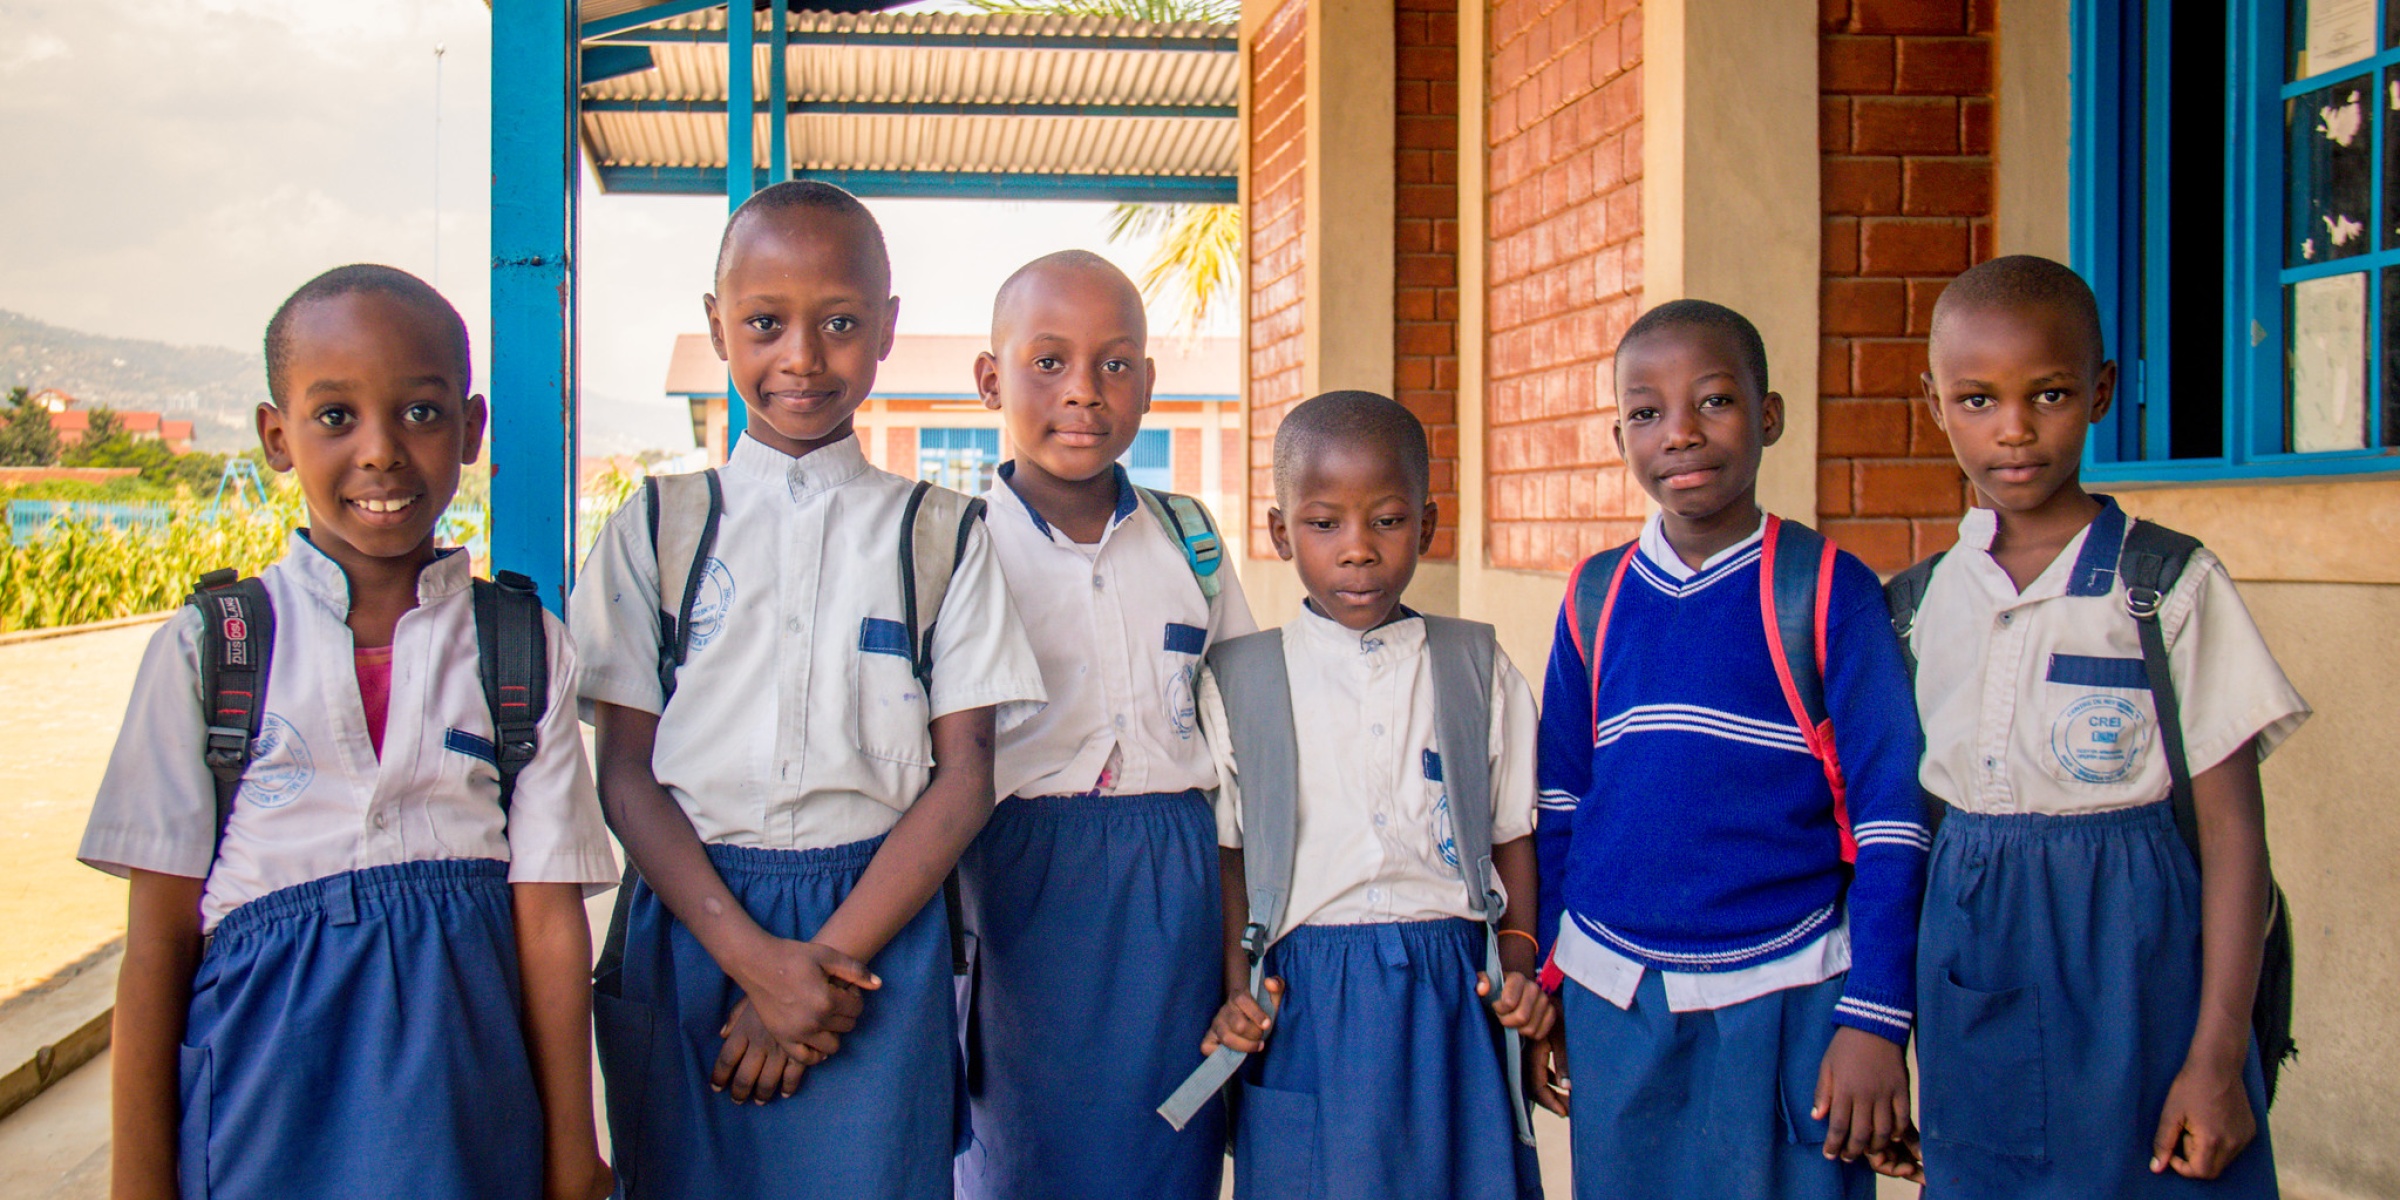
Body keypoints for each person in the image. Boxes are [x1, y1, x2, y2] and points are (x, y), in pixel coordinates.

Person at [82, 264, 617, 1200]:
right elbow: (160, 943)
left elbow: (549, 926)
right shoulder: (214, 649)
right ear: (276, 437)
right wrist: (139, 1183)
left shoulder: (520, 647)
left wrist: (572, 1157)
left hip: (467, 1112)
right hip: (264, 1118)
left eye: (421, 412)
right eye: (337, 418)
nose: (382, 452)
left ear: (473, 428)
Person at [570, 181, 1046, 1199]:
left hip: (877, 933)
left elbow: (964, 780)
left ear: (885, 329)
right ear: (716, 328)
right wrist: (755, 962)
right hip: (694, 917)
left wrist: (817, 967)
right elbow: (625, 774)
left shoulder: (939, 536)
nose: (801, 356)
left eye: (838, 323)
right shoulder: (657, 528)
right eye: (763, 323)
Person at [1904, 255, 2309, 1197]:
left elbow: (2235, 838)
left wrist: (2216, 1057)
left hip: (2144, 966)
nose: (2013, 429)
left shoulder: (2165, 584)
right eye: (1976, 400)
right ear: (1933, 404)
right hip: (1975, 965)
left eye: (2047, 393)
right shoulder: (1918, 608)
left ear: (2101, 392)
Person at [1534, 300, 1928, 1198]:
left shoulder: (1826, 589)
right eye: (1647, 413)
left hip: (1789, 992)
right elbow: (1561, 802)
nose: (1680, 434)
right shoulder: (1596, 596)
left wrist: (1875, 1017)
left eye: (1713, 402)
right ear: (1619, 434)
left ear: (1770, 416)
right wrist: (1557, 978)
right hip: (1617, 993)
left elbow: (1892, 820)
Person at [953, 250, 1257, 1199]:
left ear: (1148, 383)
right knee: (1018, 1149)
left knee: (1167, 1140)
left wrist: (1242, 943)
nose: (1083, 392)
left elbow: (1245, 740)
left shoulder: (1190, 540)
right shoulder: (954, 549)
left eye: (1114, 364)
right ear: (991, 379)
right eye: (1048, 363)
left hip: (1176, 885)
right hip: (1015, 886)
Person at [1196, 390, 1548, 1200]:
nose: (1358, 551)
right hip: (1306, 994)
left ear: (1425, 526)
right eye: (1324, 524)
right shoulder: (1244, 683)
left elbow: (1509, 838)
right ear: (1283, 533)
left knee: (1468, 1177)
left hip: (1456, 990)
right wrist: (1237, 990)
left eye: (1386, 521)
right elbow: (1233, 862)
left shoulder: (1477, 669)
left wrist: (1520, 963)